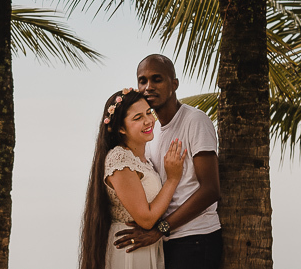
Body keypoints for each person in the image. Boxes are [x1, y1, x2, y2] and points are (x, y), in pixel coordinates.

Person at [114, 55, 222, 269]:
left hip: (196, 239)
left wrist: (160, 229)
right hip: (167, 241)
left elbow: (211, 190)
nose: (148, 87)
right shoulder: (152, 133)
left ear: (174, 84)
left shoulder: (195, 121)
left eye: (157, 79)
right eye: (142, 81)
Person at [79, 88, 188, 269]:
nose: (148, 121)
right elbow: (146, 219)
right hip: (130, 251)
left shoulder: (143, 160)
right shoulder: (119, 159)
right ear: (121, 128)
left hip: (144, 248)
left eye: (148, 113)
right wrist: (172, 179)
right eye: (138, 118)